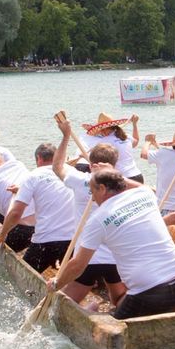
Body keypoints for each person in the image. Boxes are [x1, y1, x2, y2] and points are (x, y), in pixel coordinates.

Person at [49, 169, 175, 320]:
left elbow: (78, 265)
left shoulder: (98, 218)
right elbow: (136, 185)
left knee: (107, 326)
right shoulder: (145, 194)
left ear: (103, 189)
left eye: (92, 192)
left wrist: (56, 283)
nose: (92, 199)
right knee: (120, 302)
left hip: (149, 294)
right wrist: (110, 172)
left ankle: (92, 311)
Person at [52, 117, 127, 308]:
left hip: (86, 257)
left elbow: (57, 167)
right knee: (119, 299)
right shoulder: (124, 185)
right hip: (115, 256)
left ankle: (89, 311)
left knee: (63, 305)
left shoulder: (80, 180)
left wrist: (66, 136)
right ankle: (114, 312)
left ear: (91, 163)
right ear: (114, 164)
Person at [0, 143, 76, 273]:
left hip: (47, 240)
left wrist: (2, 234)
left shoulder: (33, 175)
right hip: (74, 240)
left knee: (21, 276)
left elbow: (16, 213)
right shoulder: (73, 171)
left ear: (39, 158)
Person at [80, 112, 143, 182]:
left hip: (123, 178)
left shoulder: (105, 140)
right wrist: (135, 124)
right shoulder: (126, 137)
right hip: (137, 175)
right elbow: (136, 141)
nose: (100, 132)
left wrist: (84, 156)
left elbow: (95, 160)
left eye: (101, 130)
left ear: (105, 129)